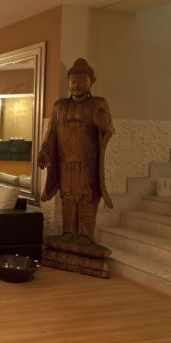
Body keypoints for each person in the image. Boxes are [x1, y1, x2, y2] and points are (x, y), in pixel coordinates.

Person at [38, 58, 114, 246]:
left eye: (81, 82)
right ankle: (68, 232)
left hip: (87, 163)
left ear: (91, 82)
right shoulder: (59, 106)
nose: (76, 85)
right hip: (65, 162)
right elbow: (51, 133)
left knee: (87, 197)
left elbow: (108, 130)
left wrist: (103, 122)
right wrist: (44, 151)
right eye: (72, 82)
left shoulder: (97, 103)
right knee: (68, 197)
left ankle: (86, 235)